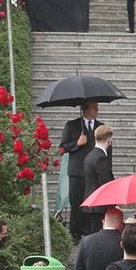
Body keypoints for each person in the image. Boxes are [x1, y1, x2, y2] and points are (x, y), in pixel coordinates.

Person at [59, 100, 100, 241]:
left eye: (97, 108)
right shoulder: (72, 125)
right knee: (76, 203)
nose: (97, 110)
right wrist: (77, 143)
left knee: (92, 204)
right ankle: (75, 233)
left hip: (94, 171)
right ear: (85, 109)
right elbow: (63, 147)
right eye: (94, 107)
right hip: (76, 172)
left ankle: (90, 232)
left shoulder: (100, 127)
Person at [82, 125, 115, 235]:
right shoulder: (101, 157)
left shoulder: (89, 156)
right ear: (108, 139)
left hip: (90, 205)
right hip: (99, 207)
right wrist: (113, 205)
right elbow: (106, 184)